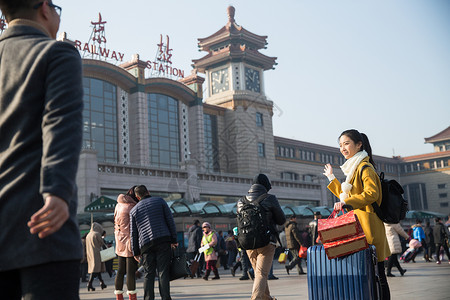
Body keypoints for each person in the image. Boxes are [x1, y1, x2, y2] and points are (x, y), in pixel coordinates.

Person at [0, 1, 84, 299]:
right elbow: (61, 123)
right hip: (45, 225)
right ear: (46, 9)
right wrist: (57, 192)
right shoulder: (56, 54)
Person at [323, 129, 391, 300]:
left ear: (359, 144)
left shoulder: (364, 167)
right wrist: (332, 178)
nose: (342, 148)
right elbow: (347, 197)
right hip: (359, 227)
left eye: (346, 143)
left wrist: (347, 202)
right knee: (369, 274)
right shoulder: (353, 169)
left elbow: (371, 194)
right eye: (340, 145)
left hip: (370, 227)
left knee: (379, 274)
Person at [237, 173, 286, 300]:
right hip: (266, 242)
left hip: (248, 243)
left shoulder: (241, 201)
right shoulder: (270, 198)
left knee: (259, 274)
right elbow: (281, 220)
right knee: (261, 273)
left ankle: (267, 298)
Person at [130, 185, 178, 300]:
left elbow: (133, 234)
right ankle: (166, 298)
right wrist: (174, 240)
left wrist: (135, 252)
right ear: (148, 191)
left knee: (148, 274)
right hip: (163, 241)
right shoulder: (160, 201)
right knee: (163, 272)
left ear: (137, 196)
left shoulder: (133, 211)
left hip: (146, 245)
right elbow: (170, 220)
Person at [114, 186, 139, 300]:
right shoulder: (132, 207)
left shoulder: (118, 205)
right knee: (130, 271)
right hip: (129, 241)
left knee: (120, 270)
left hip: (119, 240)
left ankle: (119, 296)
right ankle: (132, 297)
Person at [86, 222, 107, 291]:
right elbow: (101, 243)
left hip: (90, 254)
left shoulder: (88, 235)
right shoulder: (96, 234)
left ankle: (102, 283)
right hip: (97, 254)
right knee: (95, 269)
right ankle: (89, 283)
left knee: (97, 269)